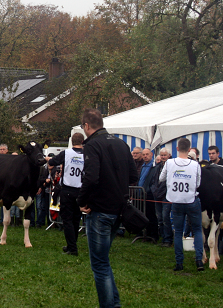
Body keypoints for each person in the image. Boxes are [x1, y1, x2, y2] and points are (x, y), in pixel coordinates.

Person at [77, 109, 137, 308]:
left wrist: (82, 200)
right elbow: (133, 177)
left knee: (99, 264)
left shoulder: (92, 145)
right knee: (103, 260)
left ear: (86, 126)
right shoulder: (121, 143)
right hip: (118, 210)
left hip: (100, 210)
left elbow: (91, 177)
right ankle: (114, 303)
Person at [159, 138, 204, 272]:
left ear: (177, 149)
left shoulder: (169, 163)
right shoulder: (195, 165)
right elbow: (198, 184)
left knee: (178, 232)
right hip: (191, 200)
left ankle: (179, 262)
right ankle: (199, 260)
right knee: (197, 230)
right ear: (189, 149)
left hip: (176, 200)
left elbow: (161, 178)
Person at [48, 132, 84, 256]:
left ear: (72, 141)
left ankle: (72, 248)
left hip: (68, 189)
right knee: (75, 218)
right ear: (82, 142)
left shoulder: (66, 153)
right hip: (80, 191)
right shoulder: (87, 154)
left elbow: (52, 161)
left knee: (67, 219)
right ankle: (71, 244)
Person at [151, 148, 173, 247]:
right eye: (162, 155)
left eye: (165, 155)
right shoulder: (157, 167)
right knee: (159, 218)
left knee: (165, 217)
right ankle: (163, 238)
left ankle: (168, 239)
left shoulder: (172, 167)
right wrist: (154, 190)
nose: (163, 157)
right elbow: (154, 180)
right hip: (157, 195)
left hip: (166, 196)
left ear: (169, 155)